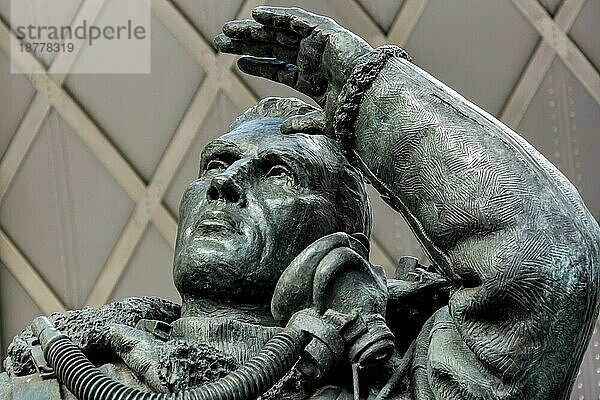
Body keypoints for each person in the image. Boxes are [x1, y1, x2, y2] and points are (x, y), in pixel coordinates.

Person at [1, 6, 599, 400]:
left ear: (342, 251)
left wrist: (369, 93)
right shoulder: (62, 371)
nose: (224, 182)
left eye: (279, 174)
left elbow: (551, 260)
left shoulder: (396, 387)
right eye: (214, 163)